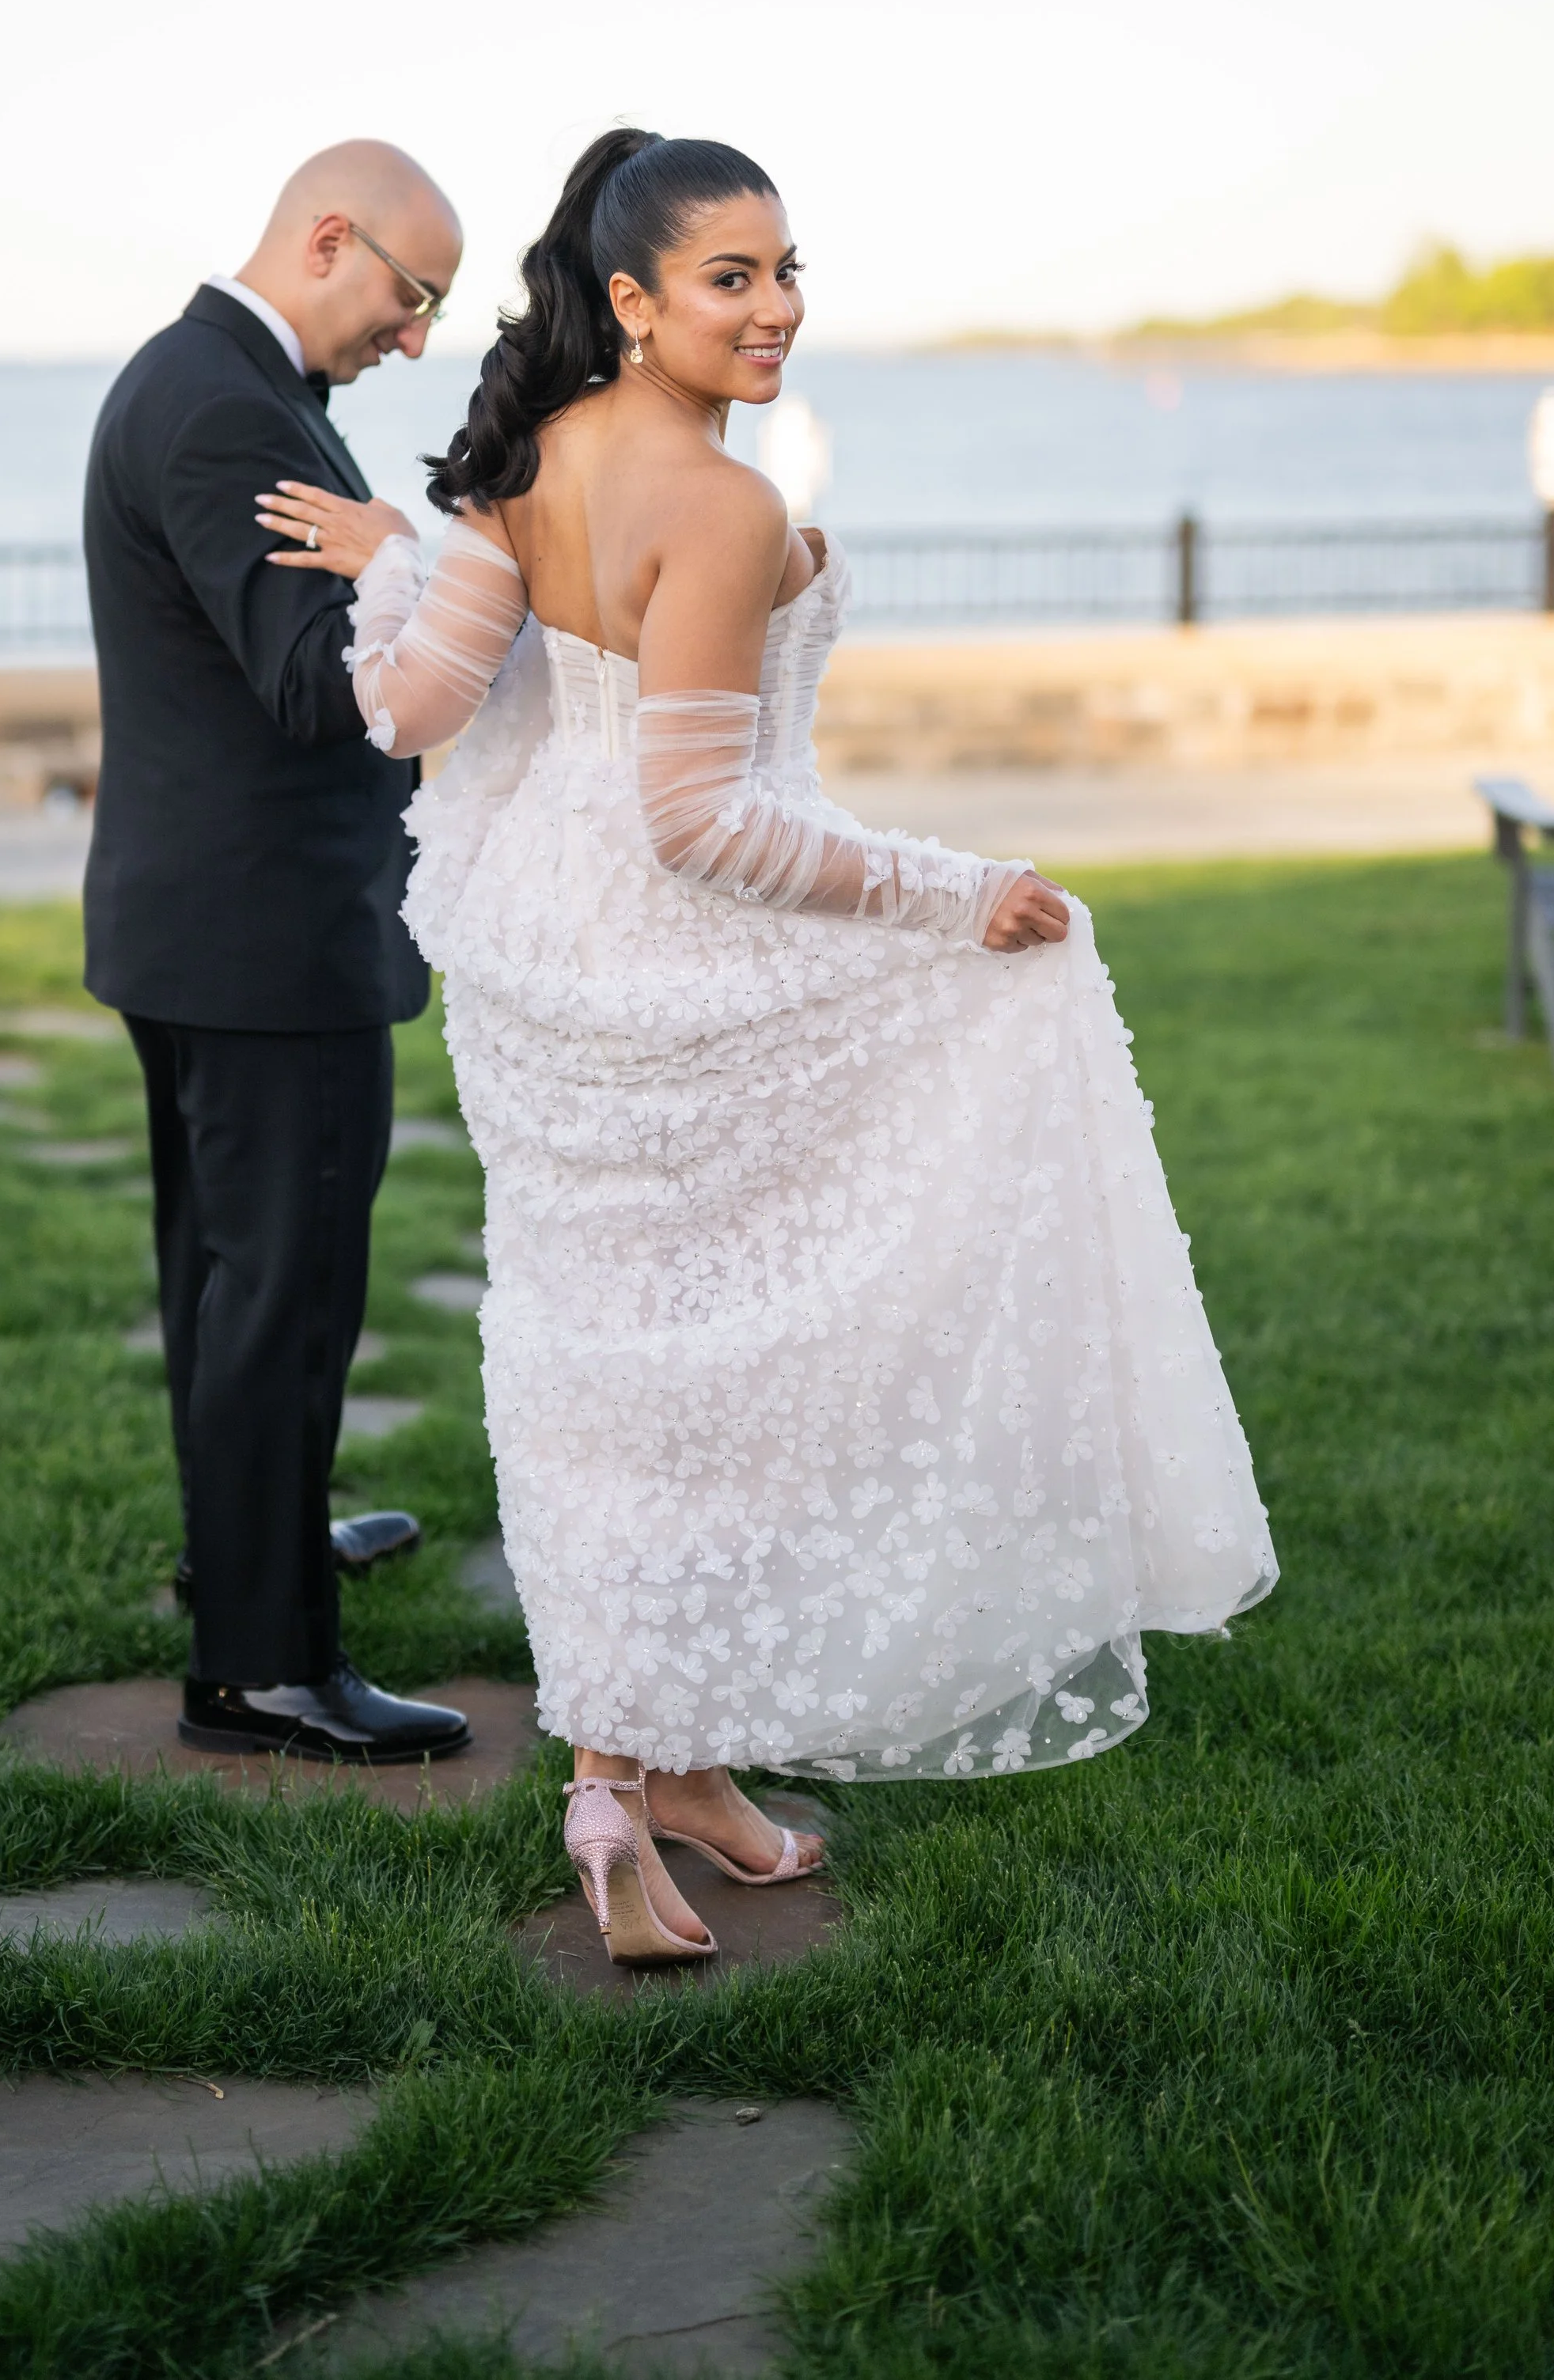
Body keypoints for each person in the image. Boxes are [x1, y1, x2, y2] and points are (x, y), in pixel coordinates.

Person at [257, 130, 1277, 1960]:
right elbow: (701, 825)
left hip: (539, 971)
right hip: (678, 970)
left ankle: (648, 1779)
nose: (777, 308)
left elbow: (408, 711)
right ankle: (627, 1774)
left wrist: (398, 560)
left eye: (790, 270)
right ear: (634, 302)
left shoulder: (522, 461)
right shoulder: (713, 510)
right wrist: (949, 892)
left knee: (615, 1379)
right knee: (719, 1385)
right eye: (731, 278)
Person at [83, 139, 475, 1764]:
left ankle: (251, 1544)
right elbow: (319, 687)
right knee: (282, 1289)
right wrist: (418, 567)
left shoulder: (209, 378)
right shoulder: (229, 404)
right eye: (412, 295)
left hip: (209, 924)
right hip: (264, 943)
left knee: (229, 1279)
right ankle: (260, 1667)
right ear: (331, 238)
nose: (414, 339)